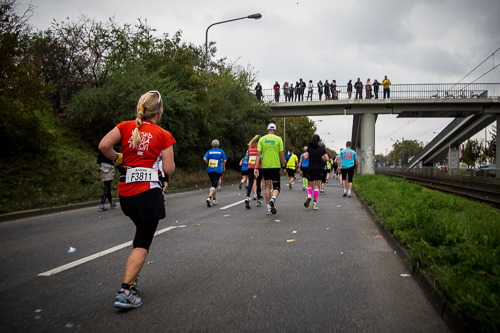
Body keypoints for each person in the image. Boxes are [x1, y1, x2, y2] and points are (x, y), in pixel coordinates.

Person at [99, 90, 176, 309]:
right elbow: (168, 168)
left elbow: (104, 146)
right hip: (149, 194)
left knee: (139, 231)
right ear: (159, 111)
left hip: (126, 194)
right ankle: (124, 291)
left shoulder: (124, 126)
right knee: (143, 241)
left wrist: (119, 158)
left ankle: (132, 281)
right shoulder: (163, 134)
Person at [254, 123, 286, 215]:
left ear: (267, 130)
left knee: (267, 187)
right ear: (275, 131)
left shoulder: (262, 139)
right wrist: (284, 166)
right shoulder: (279, 139)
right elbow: (281, 155)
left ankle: (268, 208)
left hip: (265, 166)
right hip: (275, 166)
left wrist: (256, 168)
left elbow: (258, 154)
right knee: (276, 187)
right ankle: (273, 199)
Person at [303, 135, 329, 210]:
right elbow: (327, 158)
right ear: (319, 141)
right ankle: (314, 203)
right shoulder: (321, 149)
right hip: (319, 169)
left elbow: (305, 157)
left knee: (310, 185)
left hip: (310, 169)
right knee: (316, 186)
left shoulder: (309, 148)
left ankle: (309, 196)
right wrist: (322, 158)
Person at [203, 139, 227, 207]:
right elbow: (225, 160)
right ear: (218, 145)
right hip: (217, 170)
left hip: (210, 170)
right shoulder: (221, 151)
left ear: (212, 145)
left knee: (214, 184)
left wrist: (207, 163)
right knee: (213, 184)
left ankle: (214, 199)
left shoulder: (209, 152)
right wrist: (222, 163)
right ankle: (209, 198)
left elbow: (204, 158)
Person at [244, 135, 263, 208]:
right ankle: (258, 200)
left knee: (250, 182)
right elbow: (261, 157)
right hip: (258, 167)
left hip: (250, 167)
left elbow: (246, 157)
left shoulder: (249, 148)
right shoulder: (260, 148)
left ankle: (247, 197)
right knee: (258, 183)